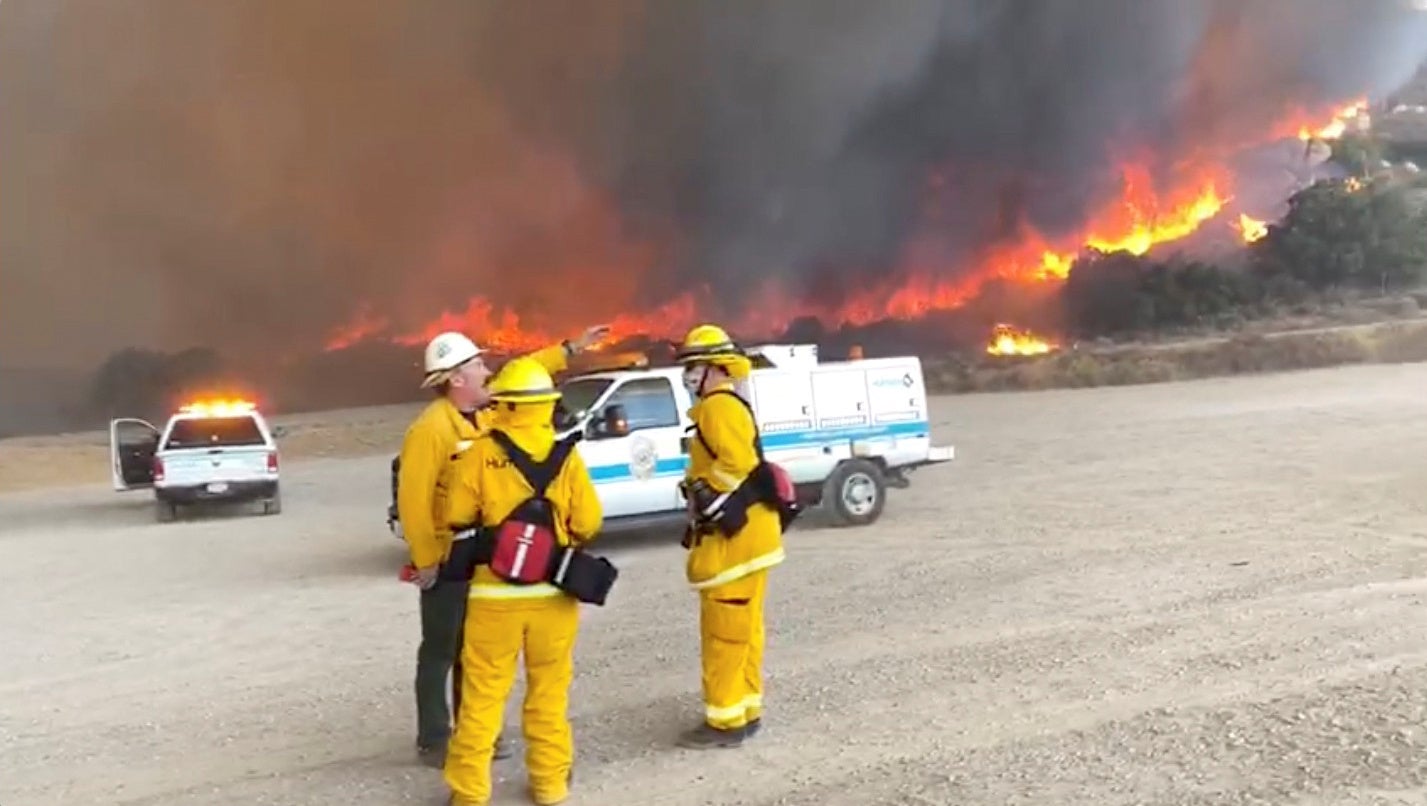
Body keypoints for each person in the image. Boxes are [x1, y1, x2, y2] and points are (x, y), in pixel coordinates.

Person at [399, 324, 607, 768]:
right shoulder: (430, 430)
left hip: (487, 560)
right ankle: (436, 737)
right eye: (476, 365)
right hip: (448, 557)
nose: (485, 371)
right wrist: (428, 561)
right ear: (455, 378)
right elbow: (413, 502)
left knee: (475, 653)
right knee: (441, 648)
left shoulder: (492, 418)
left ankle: (477, 734)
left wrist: (568, 349)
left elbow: (524, 374)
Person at [441, 357, 603, 806]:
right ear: (547, 405)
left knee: (483, 697)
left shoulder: (477, 454)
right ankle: (549, 786)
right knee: (549, 693)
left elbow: (455, 516)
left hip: (494, 598)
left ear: (504, 405)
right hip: (554, 595)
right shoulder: (567, 457)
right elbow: (589, 522)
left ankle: (470, 793)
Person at [673, 324, 786, 749]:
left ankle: (725, 723)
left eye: (693, 366)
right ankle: (746, 707)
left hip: (735, 544)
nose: (687, 375)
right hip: (755, 539)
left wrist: (707, 492)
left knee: (724, 633)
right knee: (745, 629)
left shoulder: (718, 406)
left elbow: (736, 462)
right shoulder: (728, 403)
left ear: (714, 369)